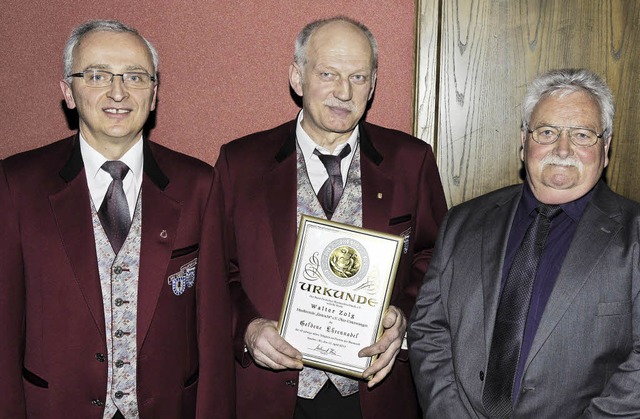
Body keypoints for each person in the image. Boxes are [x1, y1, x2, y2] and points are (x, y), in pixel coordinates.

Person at [216, 16, 447, 419]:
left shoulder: (412, 161)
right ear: (297, 77)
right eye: (328, 74)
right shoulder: (240, 163)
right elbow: (217, 272)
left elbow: (435, 260)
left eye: (358, 77)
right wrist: (249, 329)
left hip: (375, 394)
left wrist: (403, 316)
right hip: (269, 395)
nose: (344, 91)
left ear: (373, 85)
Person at [0, 20, 233, 418]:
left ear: (155, 93)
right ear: (68, 92)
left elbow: (212, 328)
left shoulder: (198, 184)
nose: (118, 91)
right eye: (97, 75)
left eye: (135, 76)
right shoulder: (16, 185)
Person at [408, 68, 640, 418]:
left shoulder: (634, 236)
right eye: (546, 132)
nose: (562, 149)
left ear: (605, 148)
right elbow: (428, 329)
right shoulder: (463, 222)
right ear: (523, 141)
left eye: (581, 135)